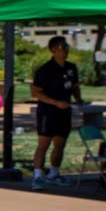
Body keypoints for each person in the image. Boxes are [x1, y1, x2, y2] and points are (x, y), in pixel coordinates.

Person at [31, 35, 83, 190]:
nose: (65, 50)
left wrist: (78, 98)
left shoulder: (71, 67)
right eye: (61, 47)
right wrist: (55, 103)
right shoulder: (45, 70)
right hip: (47, 112)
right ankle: (38, 176)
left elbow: (74, 86)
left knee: (60, 143)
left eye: (66, 46)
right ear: (53, 50)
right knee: (43, 144)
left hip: (64, 112)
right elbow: (36, 93)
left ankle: (54, 173)